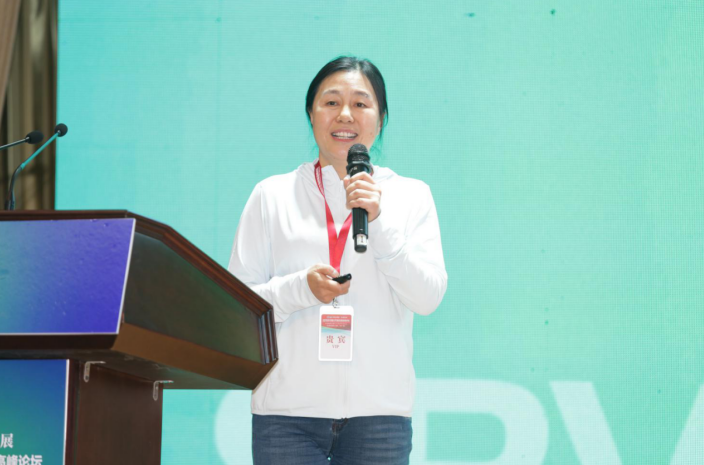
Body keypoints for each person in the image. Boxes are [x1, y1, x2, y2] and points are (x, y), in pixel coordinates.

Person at [228, 56, 447, 465]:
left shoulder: (411, 196)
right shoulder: (271, 196)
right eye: (331, 102)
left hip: (379, 418)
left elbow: (428, 297)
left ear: (381, 119)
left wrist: (379, 223)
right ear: (311, 114)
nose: (345, 114)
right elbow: (237, 308)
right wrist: (300, 289)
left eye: (361, 103)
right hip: (286, 417)